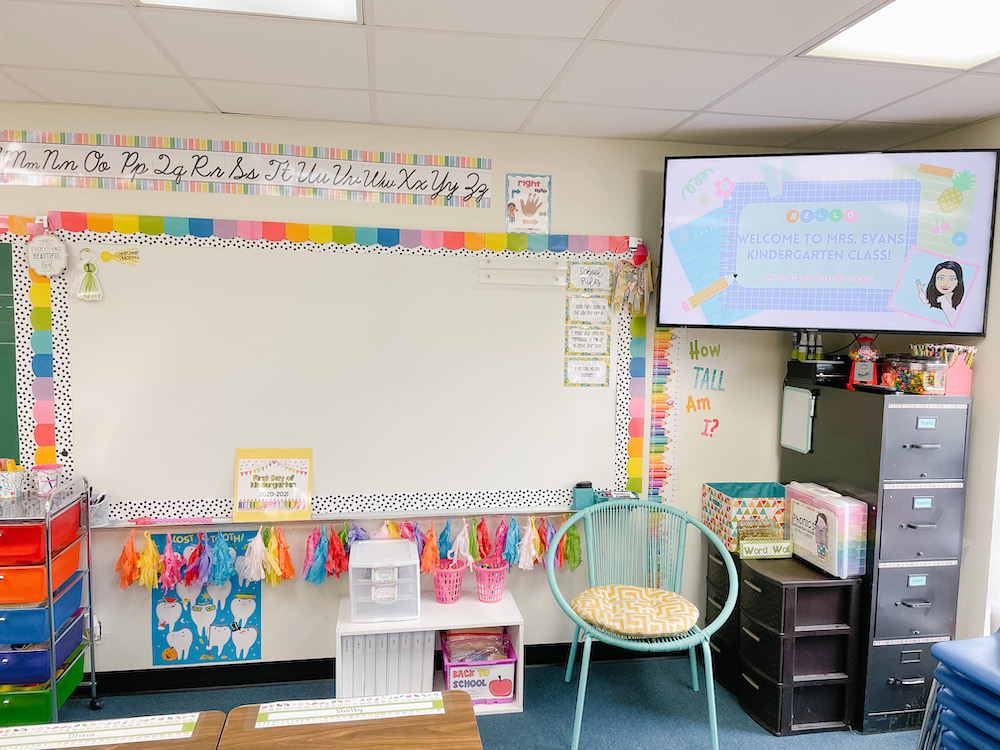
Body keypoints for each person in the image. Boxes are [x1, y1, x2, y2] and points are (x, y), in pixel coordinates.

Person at [916, 260, 964, 326]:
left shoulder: (962, 302)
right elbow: (926, 301)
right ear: (934, 280)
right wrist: (920, 291)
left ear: (958, 282)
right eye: (941, 278)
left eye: (952, 279)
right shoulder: (940, 298)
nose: (945, 283)